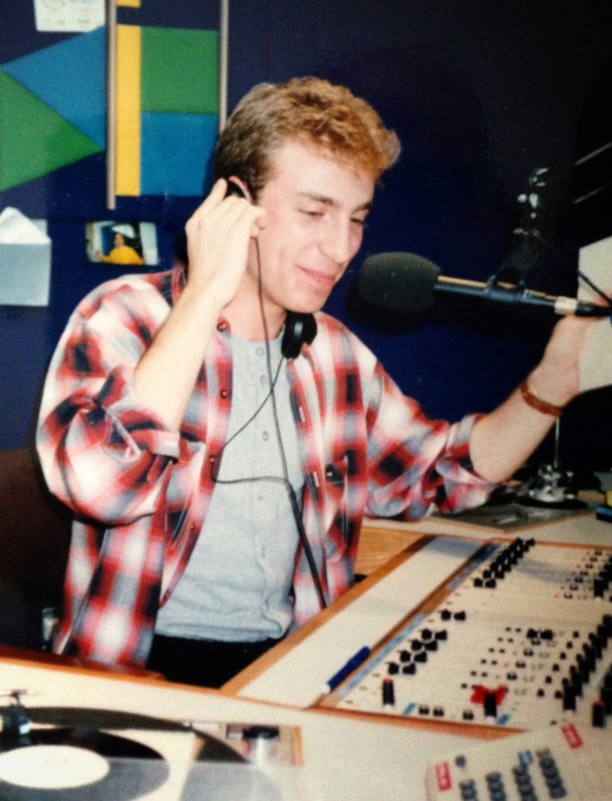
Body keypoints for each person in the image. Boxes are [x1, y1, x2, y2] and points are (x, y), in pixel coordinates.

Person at [36, 76, 595, 688]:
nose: (341, 248)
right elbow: (101, 490)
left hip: (293, 665)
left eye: (356, 219)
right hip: (138, 672)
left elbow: (443, 472)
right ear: (233, 205)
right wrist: (202, 297)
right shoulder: (122, 317)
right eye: (313, 212)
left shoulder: (334, 355)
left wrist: (554, 383)